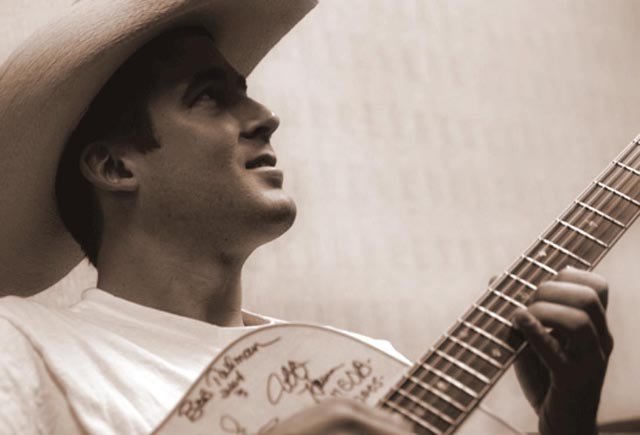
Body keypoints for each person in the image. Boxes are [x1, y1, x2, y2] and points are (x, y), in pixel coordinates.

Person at [0, 1, 613, 434]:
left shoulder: (371, 367)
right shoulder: (24, 346)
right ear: (114, 166)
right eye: (210, 96)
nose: (266, 115)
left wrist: (567, 424)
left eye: (245, 90)